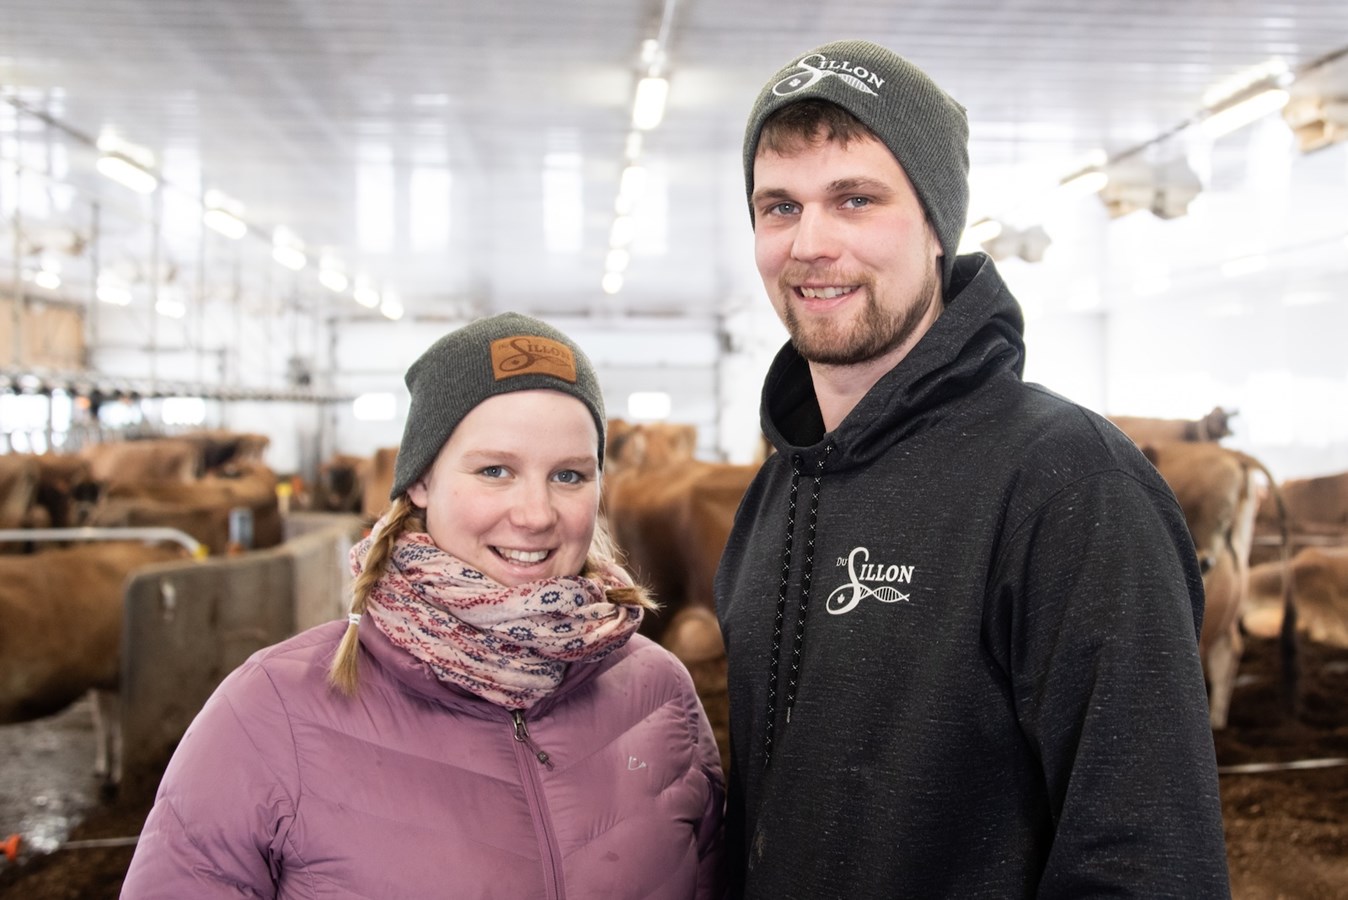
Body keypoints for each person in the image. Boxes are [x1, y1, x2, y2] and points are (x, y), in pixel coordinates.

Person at [714, 38, 1230, 898]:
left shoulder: (1069, 485)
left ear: (935, 223)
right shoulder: (775, 494)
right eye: (779, 207)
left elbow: (1147, 861)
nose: (810, 243)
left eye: (855, 199)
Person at [122, 312, 725, 899]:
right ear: (420, 481)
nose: (537, 515)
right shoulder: (268, 713)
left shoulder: (660, 694)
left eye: (569, 476)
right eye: (495, 470)